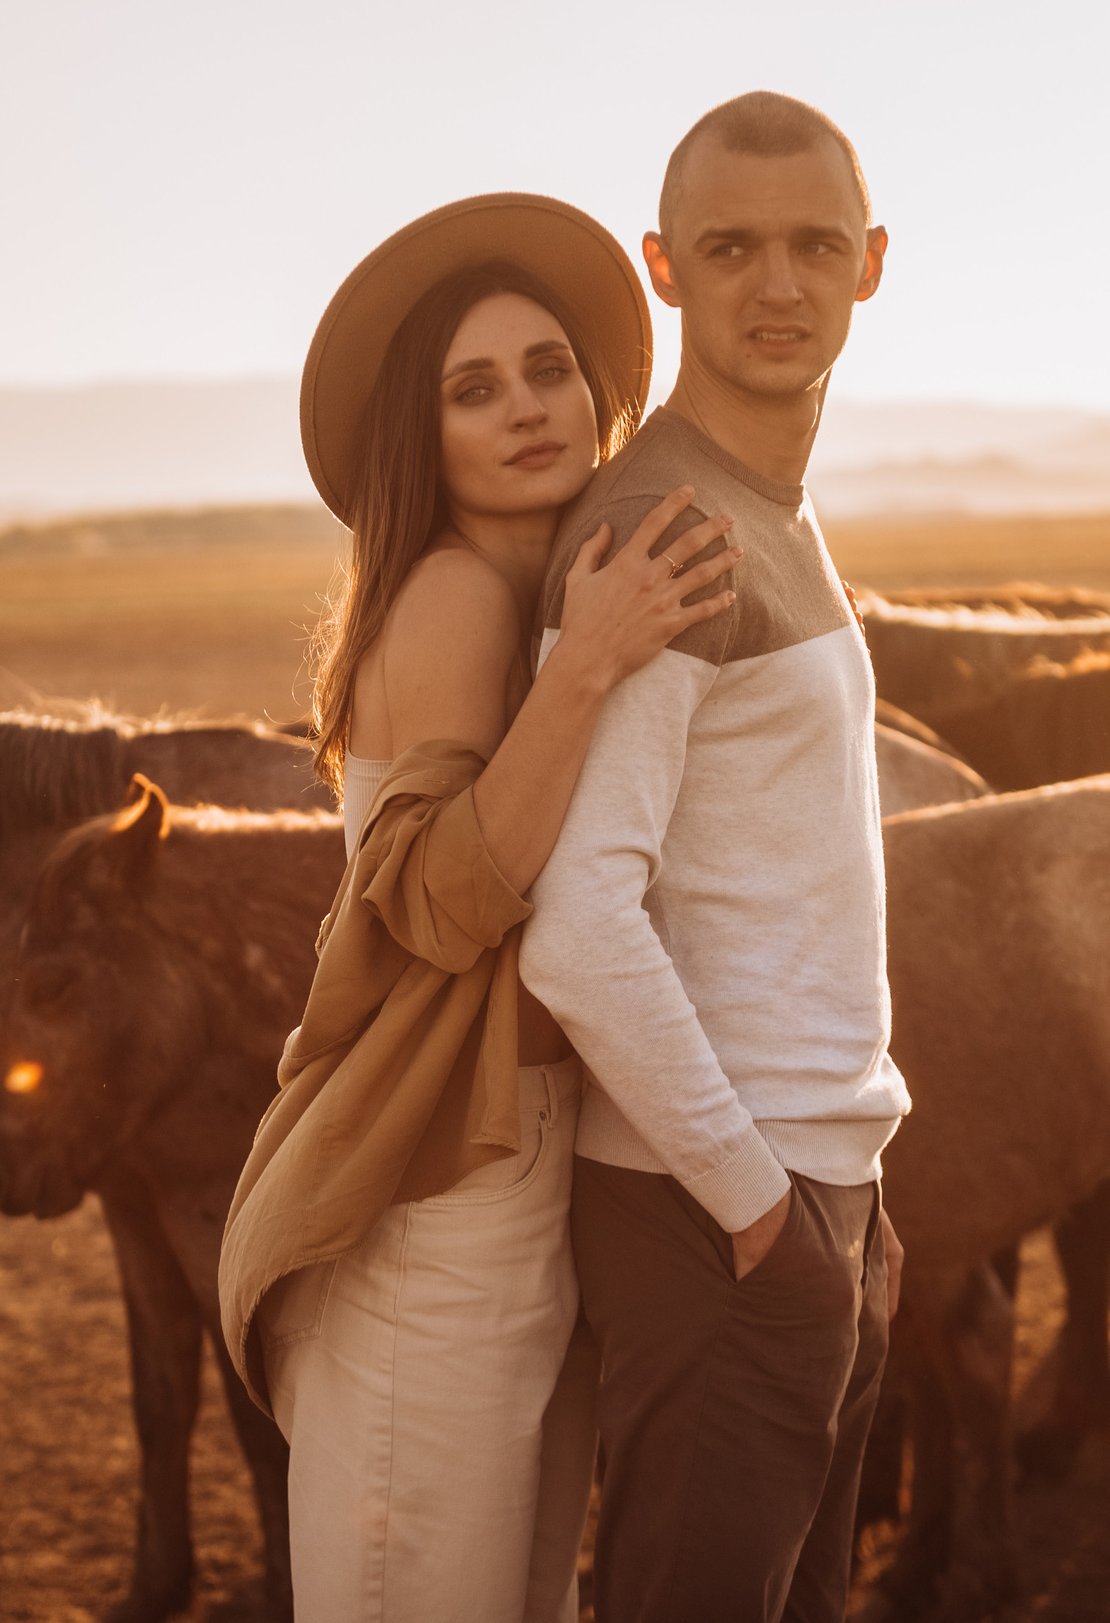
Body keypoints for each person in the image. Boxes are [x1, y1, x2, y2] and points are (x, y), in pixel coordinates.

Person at [215, 192, 740, 1622]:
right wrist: (587, 671)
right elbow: (439, 905)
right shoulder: (453, 596)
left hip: (520, 1168)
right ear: (423, 435)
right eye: (475, 388)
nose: (525, 408)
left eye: (548, 369)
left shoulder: (540, 588)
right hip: (437, 1192)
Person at [518, 92, 909, 1623]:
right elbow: (578, 921)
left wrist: (854, 1200)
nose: (778, 284)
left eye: (815, 244)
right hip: (716, 1214)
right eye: (731, 248)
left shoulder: (772, 508)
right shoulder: (667, 527)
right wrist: (763, 1210)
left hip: (810, 1190)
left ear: (872, 262)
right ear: (663, 266)